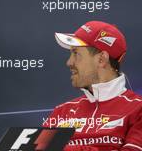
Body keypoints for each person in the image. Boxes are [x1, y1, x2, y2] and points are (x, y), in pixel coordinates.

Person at [43, 21, 142, 150]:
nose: (69, 62)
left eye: (76, 53)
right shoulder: (61, 112)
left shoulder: (138, 110)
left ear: (101, 59)